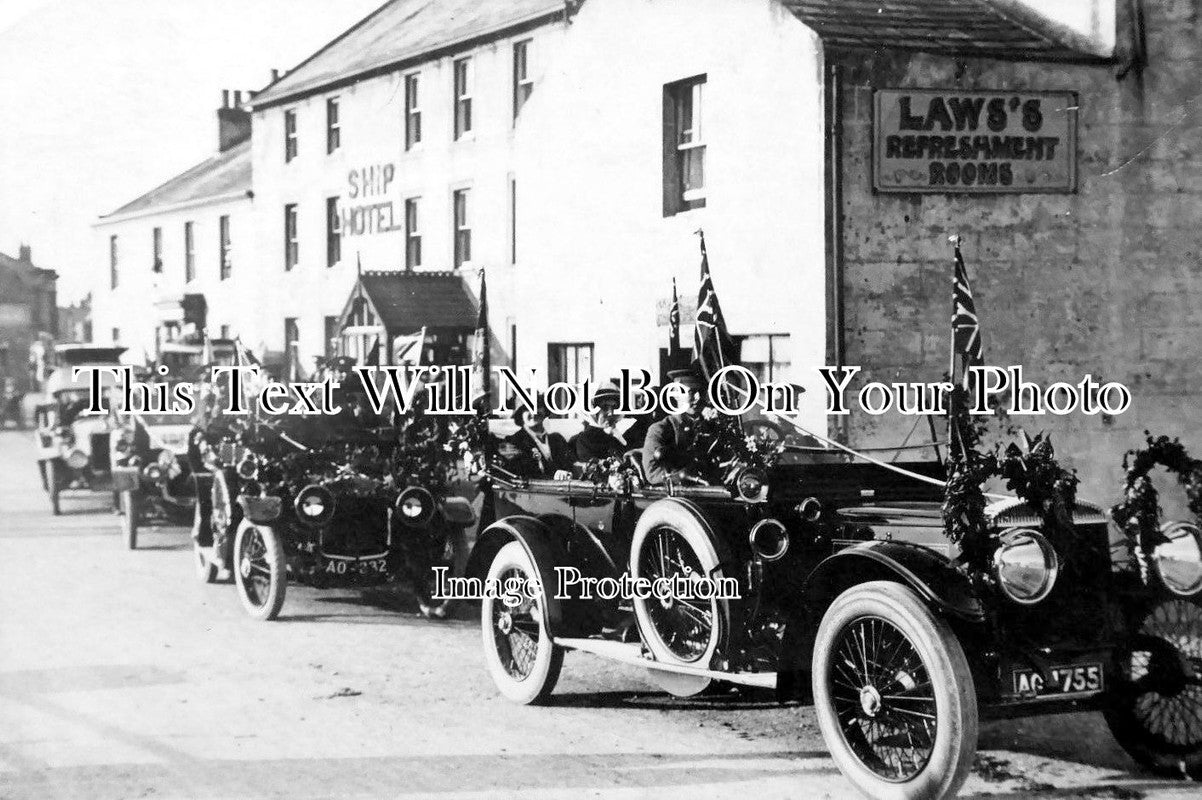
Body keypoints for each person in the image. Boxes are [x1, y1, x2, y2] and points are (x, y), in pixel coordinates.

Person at [642, 368, 708, 485]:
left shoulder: (709, 427)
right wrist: (683, 476)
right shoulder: (660, 430)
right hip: (678, 496)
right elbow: (653, 472)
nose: (698, 397)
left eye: (701, 392)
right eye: (691, 392)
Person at [502, 403, 573, 479]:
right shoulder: (514, 441)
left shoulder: (557, 439)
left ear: (545, 411)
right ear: (521, 414)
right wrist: (553, 476)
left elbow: (569, 466)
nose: (533, 412)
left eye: (537, 407)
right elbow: (521, 475)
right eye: (527, 409)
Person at [572, 383, 628, 462]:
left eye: (614, 407)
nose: (610, 413)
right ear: (594, 412)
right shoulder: (585, 440)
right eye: (605, 408)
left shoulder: (615, 438)